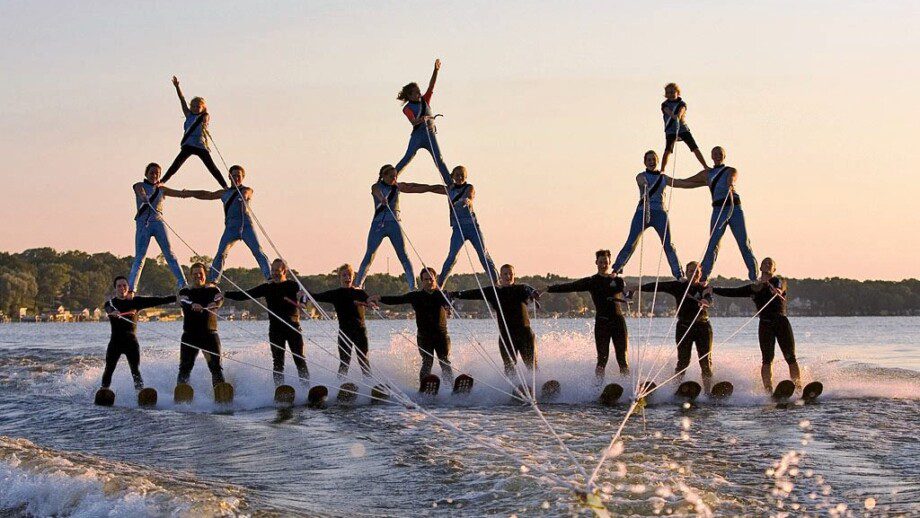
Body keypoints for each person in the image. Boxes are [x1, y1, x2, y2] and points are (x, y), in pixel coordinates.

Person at [711, 257, 800, 392]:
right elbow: (732, 292)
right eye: (765, 263)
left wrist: (777, 290)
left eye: (770, 263)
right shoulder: (754, 287)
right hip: (765, 324)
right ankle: (768, 390)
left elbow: (780, 287)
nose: (768, 264)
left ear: (774, 269)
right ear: (760, 268)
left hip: (781, 322)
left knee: (790, 357)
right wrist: (712, 289)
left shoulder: (779, 281)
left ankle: (798, 387)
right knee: (766, 359)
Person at [612, 150, 699, 280]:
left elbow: (681, 183)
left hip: (660, 213)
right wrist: (645, 184)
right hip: (643, 212)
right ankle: (616, 269)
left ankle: (679, 275)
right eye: (649, 160)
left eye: (653, 160)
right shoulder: (641, 176)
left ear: (657, 161)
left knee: (668, 244)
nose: (651, 162)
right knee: (631, 242)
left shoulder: (663, 178)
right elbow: (640, 180)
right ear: (645, 162)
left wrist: (701, 182)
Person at [355, 165, 443, 290]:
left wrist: (432, 188)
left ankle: (413, 286)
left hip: (394, 224)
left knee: (403, 254)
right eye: (391, 176)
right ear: (383, 176)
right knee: (370, 253)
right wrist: (382, 199)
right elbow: (376, 192)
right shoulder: (376, 187)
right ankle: (358, 284)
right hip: (378, 225)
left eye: (395, 176)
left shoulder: (398, 186)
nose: (394, 178)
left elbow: (415, 187)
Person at [677, 146, 758, 281]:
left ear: (724, 156)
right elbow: (685, 182)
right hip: (718, 210)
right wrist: (666, 180)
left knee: (743, 242)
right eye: (715, 153)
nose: (717, 155)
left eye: (720, 153)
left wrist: (731, 183)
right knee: (713, 244)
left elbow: (732, 177)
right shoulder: (706, 174)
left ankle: (754, 276)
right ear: (711, 156)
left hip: (734, 208)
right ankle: (702, 278)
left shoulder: (731, 170)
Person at [224, 259, 309, 386]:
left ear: (284, 271)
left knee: (299, 359)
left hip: (293, 327)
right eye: (272, 270)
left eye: (277, 270)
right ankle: (280, 388)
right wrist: (225, 294)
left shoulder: (293, 285)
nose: (274, 273)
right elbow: (244, 295)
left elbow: (305, 294)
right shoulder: (267, 288)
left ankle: (306, 387)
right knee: (278, 362)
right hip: (275, 330)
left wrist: (303, 302)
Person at [632, 261, 714, 393]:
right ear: (686, 273)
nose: (694, 274)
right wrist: (638, 288)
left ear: (701, 273)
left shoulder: (704, 287)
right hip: (683, 326)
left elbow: (709, 298)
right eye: (691, 271)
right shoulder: (678, 286)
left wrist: (706, 301)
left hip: (703, 327)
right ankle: (675, 390)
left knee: (705, 363)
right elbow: (658, 286)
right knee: (683, 362)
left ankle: (707, 392)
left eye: (697, 271)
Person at [546, 250, 629, 378]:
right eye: (600, 262)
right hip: (602, 323)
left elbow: (627, 292)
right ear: (596, 262)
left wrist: (621, 282)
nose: (603, 265)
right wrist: (548, 289)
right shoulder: (591, 281)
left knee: (622, 358)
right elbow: (570, 286)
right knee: (602, 359)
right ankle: (598, 387)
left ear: (610, 263)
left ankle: (627, 387)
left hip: (618, 322)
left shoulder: (618, 281)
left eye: (605, 262)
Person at [185, 165, 271, 283]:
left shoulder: (247, 190)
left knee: (257, 251)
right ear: (229, 177)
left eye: (238, 176)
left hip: (246, 226)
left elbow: (248, 193)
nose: (236, 178)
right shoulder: (224, 193)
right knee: (221, 253)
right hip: (231, 228)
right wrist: (190, 193)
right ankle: (214, 280)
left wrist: (244, 196)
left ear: (243, 177)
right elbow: (207, 195)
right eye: (233, 176)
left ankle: (270, 276)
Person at [450, 264, 540, 376]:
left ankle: (538, 386)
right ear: (500, 276)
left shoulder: (521, 289)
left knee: (532, 366)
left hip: (525, 334)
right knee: (509, 368)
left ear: (514, 275)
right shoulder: (494, 292)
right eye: (505, 274)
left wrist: (534, 293)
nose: (508, 276)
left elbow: (529, 290)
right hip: (506, 336)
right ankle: (511, 389)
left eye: (510, 274)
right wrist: (454, 294)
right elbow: (475, 293)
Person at [370, 267, 453, 384]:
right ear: (421, 281)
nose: (429, 282)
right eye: (426, 279)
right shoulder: (415, 296)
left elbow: (451, 300)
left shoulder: (442, 295)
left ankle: (450, 386)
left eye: (431, 279)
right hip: (424, 337)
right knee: (427, 362)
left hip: (441, 336)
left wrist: (448, 307)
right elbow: (397, 300)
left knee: (444, 361)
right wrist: (380, 298)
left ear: (435, 279)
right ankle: (424, 387)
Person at [129, 162, 199, 292]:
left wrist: (190, 193)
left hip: (158, 222)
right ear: (146, 174)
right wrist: (144, 197)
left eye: (157, 173)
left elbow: (180, 194)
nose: (154, 175)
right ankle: (132, 288)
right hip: (143, 224)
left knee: (169, 254)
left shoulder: (162, 189)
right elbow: (140, 192)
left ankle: (182, 283)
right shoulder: (139, 185)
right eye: (152, 173)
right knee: (140, 257)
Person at [101, 276, 176, 391]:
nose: (122, 288)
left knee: (135, 370)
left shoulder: (136, 301)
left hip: (131, 343)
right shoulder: (110, 303)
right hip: (115, 343)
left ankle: (140, 393)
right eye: (119, 286)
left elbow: (157, 300)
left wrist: (176, 298)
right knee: (109, 369)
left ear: (128, 287)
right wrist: (113, 312)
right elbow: (109, 308)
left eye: (124, 285)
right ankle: (103, 390)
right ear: (115, 289)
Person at [160, 76, 229, 188]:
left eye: (198, 106)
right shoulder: (188, 114)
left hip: (200, 145)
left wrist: (204, 119)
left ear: (203, 108)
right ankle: (162, 181)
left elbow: (206, 119)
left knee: (212, 167)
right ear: (191, 107)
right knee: (176, 164)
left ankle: (225, 186)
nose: (196, 108)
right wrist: (177, 87)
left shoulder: (204, 116)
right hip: (188, 144)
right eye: (194, 106)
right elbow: (182, 99)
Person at [434, 165, 498, 286]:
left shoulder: (469, 187)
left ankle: (496, 282)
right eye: (457, 175)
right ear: (453, 176)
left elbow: (470, 196)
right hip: (458, 229)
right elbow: (428, 188)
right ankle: (440, 284)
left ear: (466, 177)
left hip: (472, 227)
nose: (459, 177)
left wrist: (466, 201)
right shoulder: (449, 190)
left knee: (483, 254)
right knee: (452, 256)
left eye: (462, 175)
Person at [309, 264, 372, 378]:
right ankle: (340, 385)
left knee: (363, 361)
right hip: (344, 332)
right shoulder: (335, 294)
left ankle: (369, 384)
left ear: (353, 277)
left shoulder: (359, 293)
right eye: (344, 275)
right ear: (340, 277)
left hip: (360, 331)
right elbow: (316, 296)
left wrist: (371, 303)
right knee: (344, 362)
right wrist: (304, 292)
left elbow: (369, 301)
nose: (347, 277)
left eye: (349, 275)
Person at [394, 59, 451, 183]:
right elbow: (413, 122)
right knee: (408, 157)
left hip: (430, 134)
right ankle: (392, 177)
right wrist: (422, 119)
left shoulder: (425, 100)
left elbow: (431, 86)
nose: (419, 94)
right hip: (418, 136)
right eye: (416, 93)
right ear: (409, 96)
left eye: (419, 91)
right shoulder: (407, 108)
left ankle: (450, 183)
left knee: (439, 159)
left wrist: (436, 71)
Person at [177, 263, 225, 386]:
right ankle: (182, 391)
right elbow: (182, 300)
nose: (198, 276)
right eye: (195, 274)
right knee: (185, 367)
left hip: (210, 334)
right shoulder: (185, 291)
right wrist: (192, 304)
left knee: (216, 367)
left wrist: (214, 304)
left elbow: (219, 299)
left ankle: (220, 390)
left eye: (201, 274)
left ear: (205, 275)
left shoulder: (213, 290)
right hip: (190, 335)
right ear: (190, 276)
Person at [659, 82, 708, 173]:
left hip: (682, 128)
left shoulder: (682, 103)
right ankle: (662, 170)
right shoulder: (664, 104)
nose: (671, 94)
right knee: (668, 150)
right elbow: (668, 112)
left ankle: (705, 166)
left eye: (673, 92)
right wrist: (675, 117)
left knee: (694, 147)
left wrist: (678, 116)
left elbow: (682, 111)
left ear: (678, 92)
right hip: (670, 130)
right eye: (668, 93)